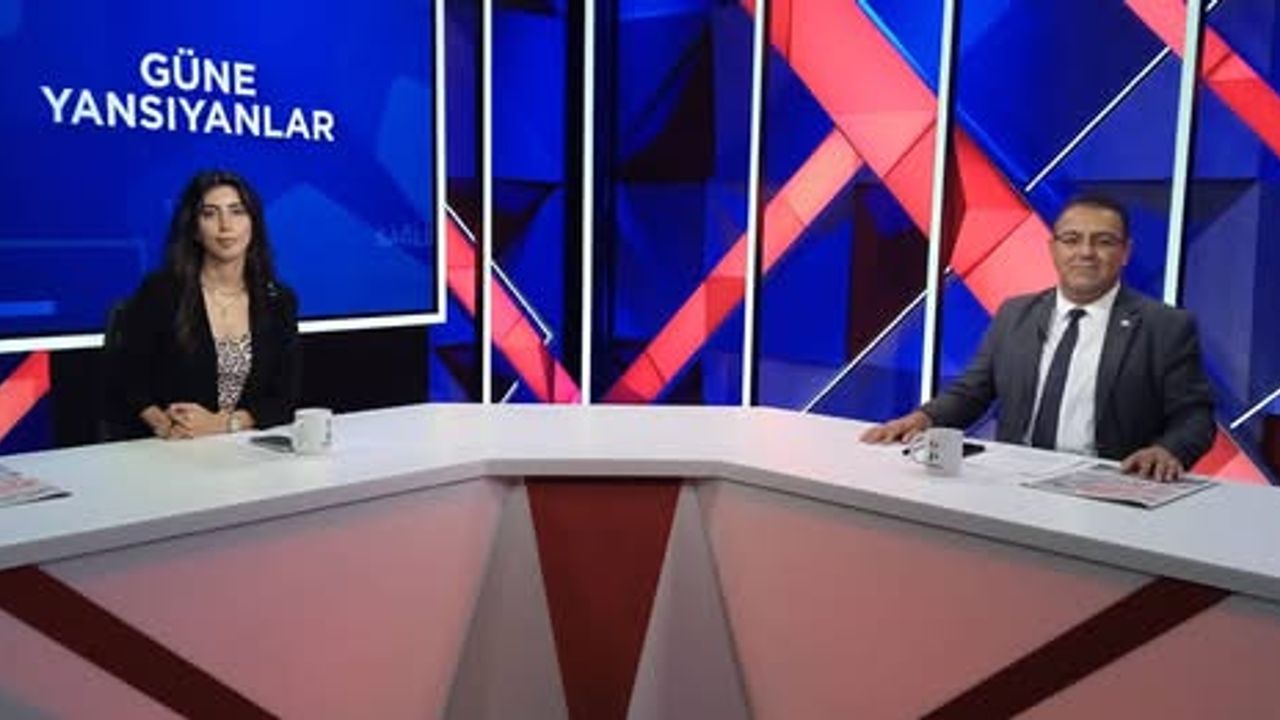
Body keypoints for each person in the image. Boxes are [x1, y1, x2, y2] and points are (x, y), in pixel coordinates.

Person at [862, 195, 1214, 481]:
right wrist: (923, 418)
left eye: (1104, 242)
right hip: (1014, 479)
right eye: (1072, 240)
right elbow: (972, 392)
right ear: (1053, 248)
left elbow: (1194, 417)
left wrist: (1168, 450)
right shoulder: (1015, 314)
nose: (1086, 252)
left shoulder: (1165, 326)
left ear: (1125, 253)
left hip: (1111, 483)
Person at [116, 170, 299, 439]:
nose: (226, 226)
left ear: (253, 223)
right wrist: (162, 423)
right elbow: (128, 379)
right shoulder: (162, 292)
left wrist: (224, 424)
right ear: (194, 229)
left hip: (246, 446)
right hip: (174, 446)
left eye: (237, 212)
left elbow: (285, 398)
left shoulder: (279, 300)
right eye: (210, 214)